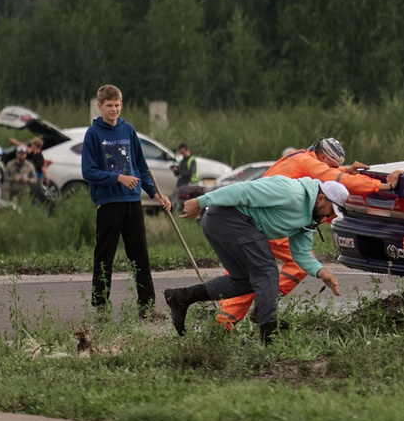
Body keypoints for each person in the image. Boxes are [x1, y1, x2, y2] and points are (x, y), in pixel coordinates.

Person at [204, 138, 385, 331]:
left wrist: (346, 170)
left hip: (259, 221)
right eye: (331, 167)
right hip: (269, 224)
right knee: (279, 269)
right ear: (323, 157)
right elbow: (336, 179)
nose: (331, 172)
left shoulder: (300, 157)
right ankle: (255, 311)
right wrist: (382, 186)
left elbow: (331, 175)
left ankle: (228, 321)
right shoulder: (307, 162)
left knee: (249, 272)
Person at [168, 175, 346, 342]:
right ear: (322, 198)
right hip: (226, 218)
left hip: (225, 223)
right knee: (266, 271)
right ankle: (269, 334)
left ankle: (181, 297)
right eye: (330, 211)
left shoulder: (308, 218)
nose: (328, 218)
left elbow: (301, 253)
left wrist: (322, 272)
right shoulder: (291, 191)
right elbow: (243, 191)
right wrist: (201, 201)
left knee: (245, 281)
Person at [80, 84, 168, 317]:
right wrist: (117, 178)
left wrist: (154, 192)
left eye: (117, 105)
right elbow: (88, 171)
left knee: (140, 254)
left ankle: (147, 306)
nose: (114, 109)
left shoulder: (128, 130)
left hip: (132, 200)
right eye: (109, 105)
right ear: (100, 106)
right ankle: (100, 306)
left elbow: (141, 165)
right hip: (108, 203)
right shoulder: (93, 134)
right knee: (104, 256)